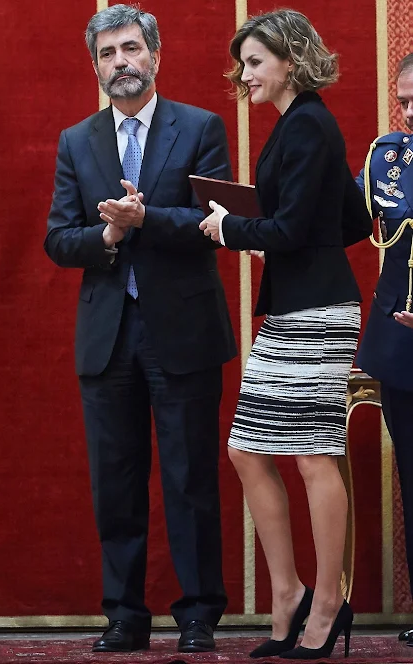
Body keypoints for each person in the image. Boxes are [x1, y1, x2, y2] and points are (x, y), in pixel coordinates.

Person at [44, 3, 237, 654]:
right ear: (95, 65)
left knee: (189, 478)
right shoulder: (78, 140)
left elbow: (216, 224)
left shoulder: (202, 126)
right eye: (107, 54)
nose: (119, 63)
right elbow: (57, 239)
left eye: (130, 49)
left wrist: (146, 218)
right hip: (109, 335)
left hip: (182, 330)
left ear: (156, 55)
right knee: (117, 481)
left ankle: (199, 613)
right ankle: (125, 615)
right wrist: (108, 232)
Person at [199, 9, 372, 660]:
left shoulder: (307, 126)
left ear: (290, 61)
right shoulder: (305, 126)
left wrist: (230, 227)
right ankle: (291, 594)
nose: (244, 75)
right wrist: (268, 218)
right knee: (250, 449)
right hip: (308, 305)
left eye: (255, 63)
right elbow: (348, 221)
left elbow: (295, 231)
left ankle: (324, 602)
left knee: (312, 454)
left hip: (315, 311)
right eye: (244, 63)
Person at [356, 52, 413, 644]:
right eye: (404, 100)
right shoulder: (388, 156)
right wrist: (270, 228)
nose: (411, 111)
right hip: (401, 343)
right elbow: (345, 216)